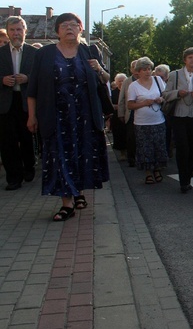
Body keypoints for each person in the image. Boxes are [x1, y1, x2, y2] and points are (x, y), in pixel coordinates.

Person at [27, 12, 110, 221]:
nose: (69, 28)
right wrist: (31, 116)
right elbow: (33, 88)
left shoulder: (89, 51)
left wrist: (99, 68)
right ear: (57, 31)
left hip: (85, 116)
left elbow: (105, 79)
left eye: (74, 25)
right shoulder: (44, 54)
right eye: (64, 25)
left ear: (81, 29)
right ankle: (67, 203)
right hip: (55, 115)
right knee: (60, 156)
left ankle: (78, 191)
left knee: (82, 154)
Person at [162, 47, 193, 193]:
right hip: (179, 115)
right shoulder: (174, 75)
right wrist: (177, 93)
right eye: (190, 58)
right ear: (185, 60)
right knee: (182, 147)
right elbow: (165, 94)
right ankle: (183, 180)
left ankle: (188, 176)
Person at [0, 16, 38, 191]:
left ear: (25, 31)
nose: (16, 34)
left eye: (19, 30)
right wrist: (2, 80)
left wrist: (28, 78)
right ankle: (13, 178)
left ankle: (28, 168)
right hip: (6, 103)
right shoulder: (1, 53)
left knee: (26, 138)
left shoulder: (35, 53)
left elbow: (42, 78)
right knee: (7, 141)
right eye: (12, 30)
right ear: (8, 32)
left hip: (26, 102)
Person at [126, 56, 168, 184]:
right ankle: (148, 172)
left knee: (158, 146)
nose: (147, 71)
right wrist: (144, 103)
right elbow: (130, 105)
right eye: (144, 69)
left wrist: (161, 99)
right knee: (145, 148)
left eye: (149, 69)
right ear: (138, 71)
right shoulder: (134, 86)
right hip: (142, 123)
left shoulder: (158, 80)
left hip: (158, 120)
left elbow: (166, 95)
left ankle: (157, 169)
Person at [118, 60, 138, 167]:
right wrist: (121, 113)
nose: (135, 70)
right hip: (130, 114)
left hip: (142, 113)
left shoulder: (147, 80)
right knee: (131, 137)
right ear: (131, 69)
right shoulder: (127, 82)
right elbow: (122, 98)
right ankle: (132, 158)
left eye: (137, 67)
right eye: (133, 68)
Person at [110, 73, 128, 161]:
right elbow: (109, 105)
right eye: (119, 81)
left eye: (123, 80)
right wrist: (116, 106)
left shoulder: (130, 90)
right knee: (119, 135)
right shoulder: (113, 93)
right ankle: (122, 153)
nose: (121, 82)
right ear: (116, 82)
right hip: (117, 117)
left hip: (129, 115)